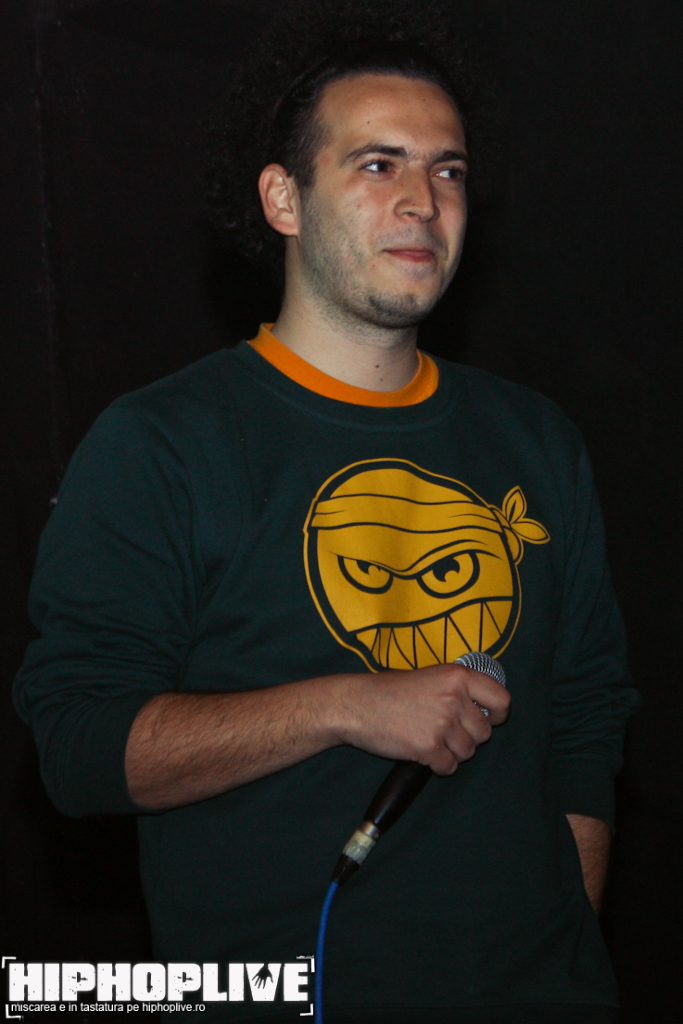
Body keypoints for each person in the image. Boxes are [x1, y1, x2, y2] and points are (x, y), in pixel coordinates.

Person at [14, 2, 637, 1022]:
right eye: (377, 164)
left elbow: (584, 718)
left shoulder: (534, 438)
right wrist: (346, 705)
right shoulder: (163, 442)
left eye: (447, 170)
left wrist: (567, 941)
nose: (422, 201)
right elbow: (79, 748)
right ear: (283, 198)